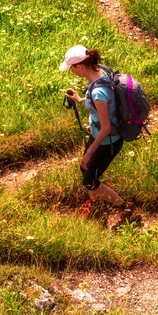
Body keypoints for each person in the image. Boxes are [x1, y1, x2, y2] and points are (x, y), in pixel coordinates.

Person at [60, 45, 136, 219]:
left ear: (79, 67)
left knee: (90, 180)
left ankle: (126, 208)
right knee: (85, 169)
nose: (71, 72)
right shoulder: (98, 73)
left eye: (71, 68)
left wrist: (89, 153)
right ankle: (95, 204)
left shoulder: (99, 92)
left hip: (107, 142)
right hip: (99, 136)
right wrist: (80, 99)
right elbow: (98, 102)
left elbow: (106, 127)